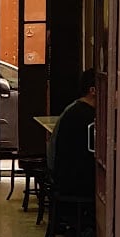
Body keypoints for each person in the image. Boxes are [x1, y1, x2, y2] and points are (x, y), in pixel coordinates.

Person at [50, 69, 96, 198]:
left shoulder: (74, 109)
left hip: (64, 175)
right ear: (93, 90)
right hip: (74, 181)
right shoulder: (85, 116)